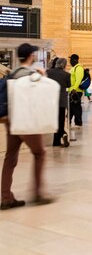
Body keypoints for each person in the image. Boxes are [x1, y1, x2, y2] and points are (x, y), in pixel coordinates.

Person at [1, 43, 54, 209]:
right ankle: (37, 193)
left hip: (11, 122)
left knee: (10, 157)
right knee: (40, 153)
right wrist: (43, 77)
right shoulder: (31, 76)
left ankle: (6, 197)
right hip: (26, 122)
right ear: (31, 56)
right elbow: (39, 100)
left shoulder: (13, 74)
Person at [46, 57, 71, 146]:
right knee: (60, 120)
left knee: (53, 120)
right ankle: (60, 136)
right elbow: (69, 84)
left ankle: (58, 139)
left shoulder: (48, 72)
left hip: (50, 100)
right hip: (61, 100)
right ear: (64, 65)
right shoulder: (66, 75)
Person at [68, 54, 84, 127]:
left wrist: (74, 89)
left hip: (76, 91)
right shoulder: (73, 68)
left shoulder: (79, 68)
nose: (70, 61)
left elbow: (78, 80)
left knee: (76, 107)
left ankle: (78, 122)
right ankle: (69, 121)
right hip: (72, 90)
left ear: (75, 60)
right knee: (71, 107)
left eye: (71, 60)